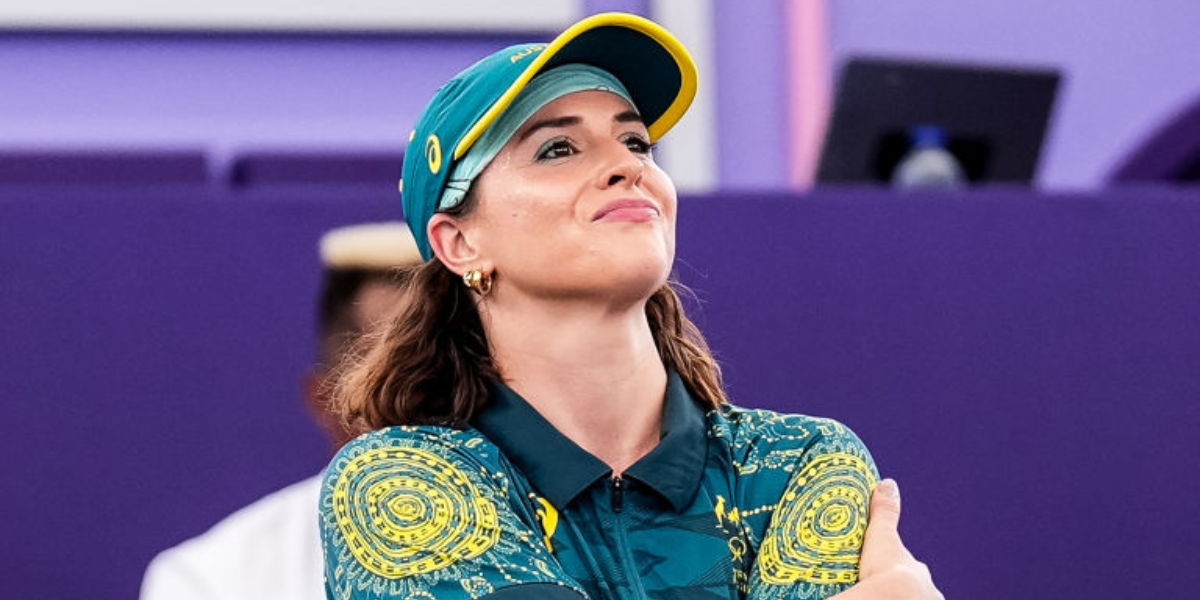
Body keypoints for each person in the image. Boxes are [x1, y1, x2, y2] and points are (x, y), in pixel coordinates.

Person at [322, 12, 942, 600]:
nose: (626, 165)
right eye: (558, 149)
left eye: (636, 142)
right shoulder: (397, 482)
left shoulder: (798, 460)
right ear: (459, 243)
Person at [141, 222, 422, 600]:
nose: (437, 414)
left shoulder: (513, 549)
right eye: (398, 388)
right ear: (325, 398)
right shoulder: (212, 580)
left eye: (467, 378)